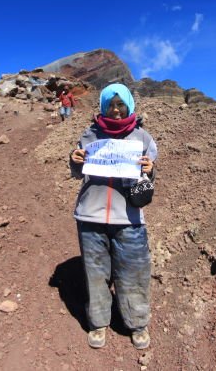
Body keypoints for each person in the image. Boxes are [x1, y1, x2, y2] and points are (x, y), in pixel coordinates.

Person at [69, 83, 157, 350]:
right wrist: (75, 160)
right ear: (103, 107)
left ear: (129, 105)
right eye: (110, 105)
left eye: (121, 105)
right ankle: (98, 322)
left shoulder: (143, 138)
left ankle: (137, 323)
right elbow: (77, 171)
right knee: (95, 273)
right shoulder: (89, 135)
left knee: (134, 273)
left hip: (129, 219)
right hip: (90, 217)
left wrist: (150, 169)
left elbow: (149, 177)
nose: (116, 111)